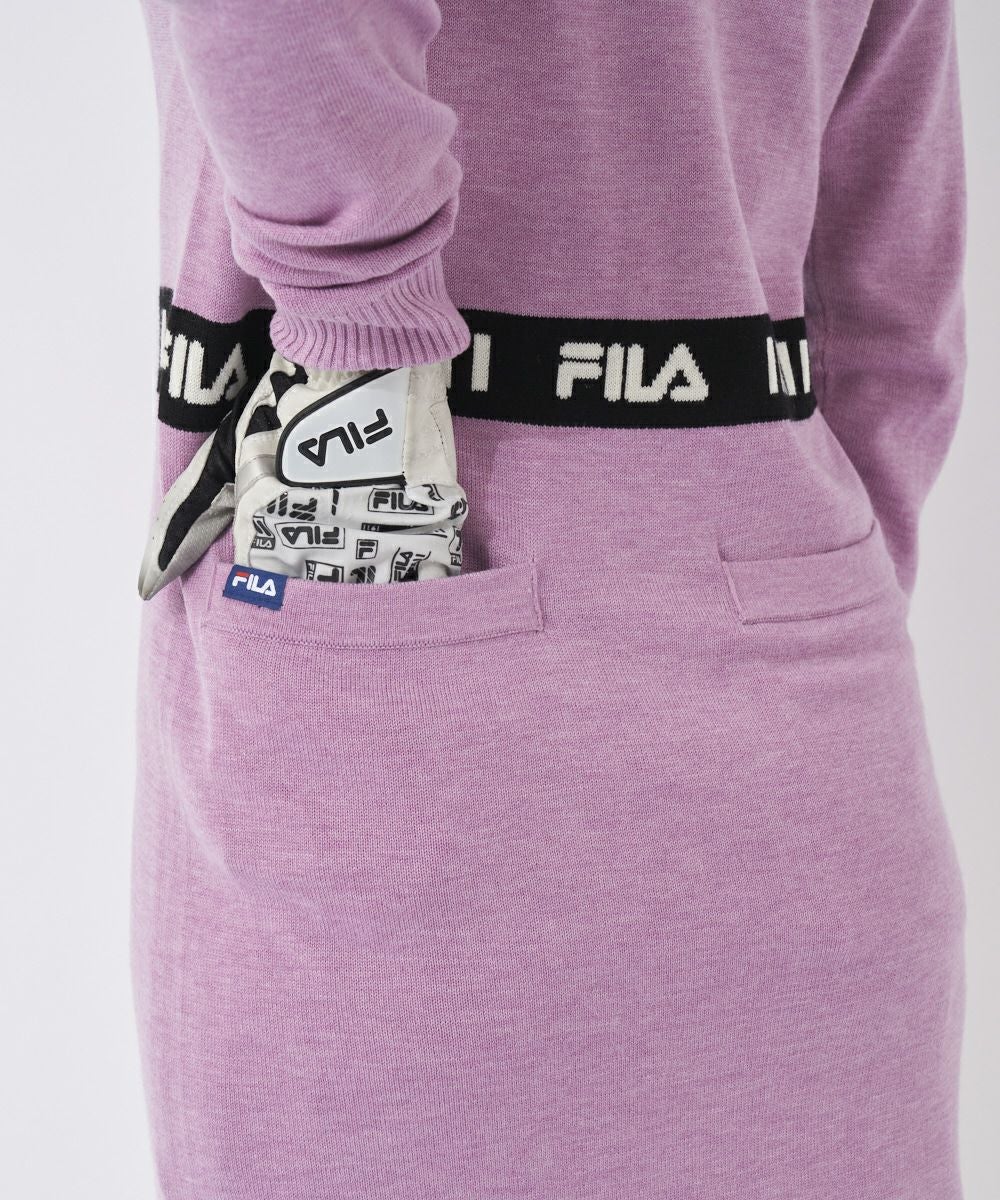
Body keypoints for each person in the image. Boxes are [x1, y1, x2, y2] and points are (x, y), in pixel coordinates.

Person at [132, 1, 968, 1196]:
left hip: (387, 711)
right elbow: (891, 322)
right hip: (802, 721)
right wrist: (808, 584)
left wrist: (359, 330)